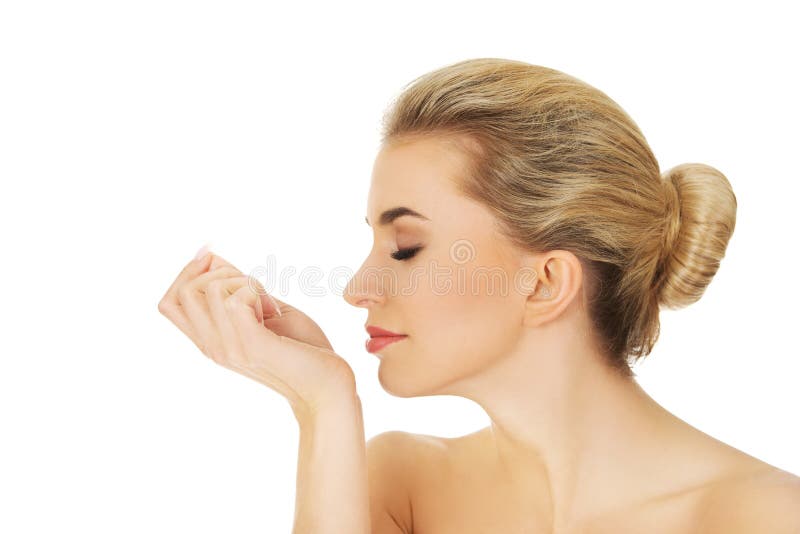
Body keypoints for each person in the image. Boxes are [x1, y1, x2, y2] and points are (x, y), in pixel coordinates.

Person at [159, 58, 800, 533]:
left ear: (545, 283)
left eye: (405, 248)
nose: (357, 289)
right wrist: (319, 403)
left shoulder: (758, 516)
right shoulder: (398, 485)